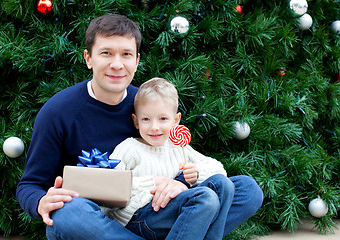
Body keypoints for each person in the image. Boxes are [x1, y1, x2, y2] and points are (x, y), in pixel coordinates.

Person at [16, 14, 263, 240]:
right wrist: (39, 202)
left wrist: (182, 182)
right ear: (88, 58)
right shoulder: (57, 112)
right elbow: (29, 185)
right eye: (106, 53)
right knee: (69, 211)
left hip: (158, 209)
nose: (117, 64)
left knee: (246, 190)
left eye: (126, 54)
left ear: (137, 61)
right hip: (96, 219)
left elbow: (185, 157)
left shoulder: (148, 105)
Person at [105, 77, 233, 239]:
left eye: (163, 119)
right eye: (146, 119)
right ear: (136, 121)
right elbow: (109, 185)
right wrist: (155, 182)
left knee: (223, 184)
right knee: (206, 199)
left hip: (171, 212)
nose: (154, 127)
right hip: (139, 218)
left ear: (176, 120)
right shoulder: (130, 148)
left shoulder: (176, 145)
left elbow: (220, 170)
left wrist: (196, 173)